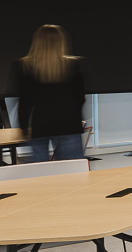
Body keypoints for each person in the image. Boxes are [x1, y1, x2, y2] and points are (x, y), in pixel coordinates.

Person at [10, 24, 87, 162]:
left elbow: (25, 101)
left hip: (39, 126)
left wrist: (23, 128)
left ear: (37, 42)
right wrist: (78, 120)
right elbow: (80, 98)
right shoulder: (74, 65)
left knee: (41, 172)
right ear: (61, 42)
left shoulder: (24, 66)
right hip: (69, 124)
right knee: (74, 171)